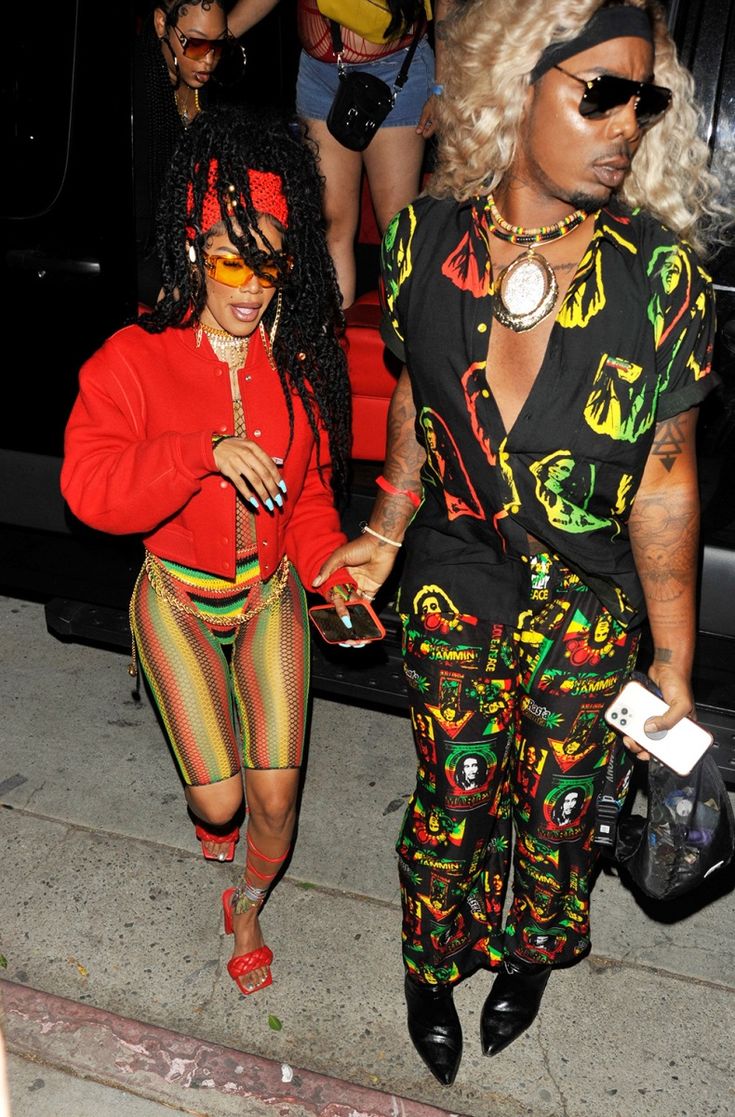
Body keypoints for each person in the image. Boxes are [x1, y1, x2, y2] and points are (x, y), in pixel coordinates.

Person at [314, 0, 732, 1085]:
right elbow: (417, 400)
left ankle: (530, 958)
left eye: (643, 99)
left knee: (556, 809)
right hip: (457, 577)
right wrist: (383, 529)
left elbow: (667, 481)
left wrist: (675, 664)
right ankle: (428, 967)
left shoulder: (662, 283)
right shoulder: (421, 242)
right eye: (599, 90)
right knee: (453, 794)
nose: (625, 123)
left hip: (590, 604)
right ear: (516, 82)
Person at [61, 103, 359, 997]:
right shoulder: (132, 358)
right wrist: (198, 451)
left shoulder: (297, 360)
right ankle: (211, 804)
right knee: (219, 800)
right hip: (180, 597)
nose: (250, 283)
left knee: (274, 801)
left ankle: (246, 904)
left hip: (267, 596)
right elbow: (89, 489)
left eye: (268, 260)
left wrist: (334, 571)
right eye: (230, 257)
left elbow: (305, 497)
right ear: (193, 250)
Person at [228, 0, 451, 306]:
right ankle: (334, 343)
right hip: (319, 75)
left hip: (395, 71)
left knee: (395, 229)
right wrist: (218, 37)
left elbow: (446, 4)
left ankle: (400, 343)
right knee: (333, 223)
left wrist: (442, 85)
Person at [133, 0, 244, 306]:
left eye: (218, 46)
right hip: (144, 257)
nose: (208, 59)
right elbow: (141, 227)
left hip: (201, 247)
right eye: (195, 44)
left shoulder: (207, 89)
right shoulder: (140, 96)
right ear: (160, 25)